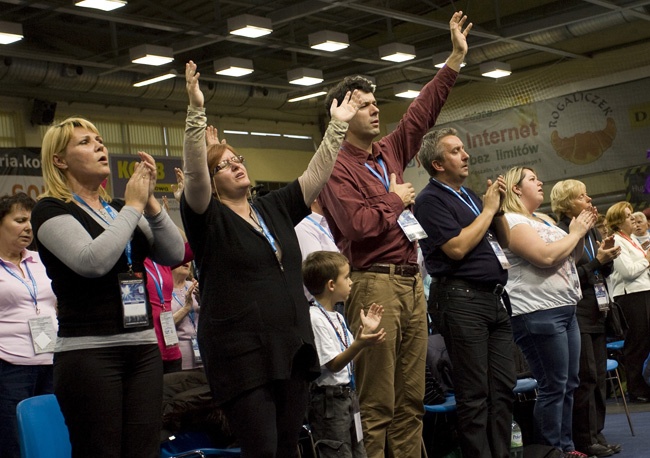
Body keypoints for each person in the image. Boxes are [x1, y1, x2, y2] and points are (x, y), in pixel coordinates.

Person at [180, 60, 362, 457]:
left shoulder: (271, 207)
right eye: (223, 166)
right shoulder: (206, 217)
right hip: (241, 354)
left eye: (237, 159)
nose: (236, 165)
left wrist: (337, 127)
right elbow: (195, 176)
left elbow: (315, 175)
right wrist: (196, 112)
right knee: (261, 449)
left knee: (288, 447)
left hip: (289, 348)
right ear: (212, 181)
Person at [316, 11, 472, 457]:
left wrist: (455, 59)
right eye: (364, 104)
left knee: (412, 401)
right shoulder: (334, 166)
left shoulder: (388, 150)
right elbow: (358, 226)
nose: (375, 108)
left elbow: (422, 111)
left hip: (408, 281)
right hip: (372, 282)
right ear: (344, 113)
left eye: (374, 101)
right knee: (379, 402)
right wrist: (396, 200)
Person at [30, 117, 185, 458]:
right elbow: (92, 262)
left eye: (100, 139)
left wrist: (152, 204)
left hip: (143, 349)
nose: (100, 145)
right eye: (85, 142)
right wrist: (133, 206)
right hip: (89, 354)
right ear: (60, 160)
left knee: (144, 451)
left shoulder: (118, 209)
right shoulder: (50, 209)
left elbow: (174, 253)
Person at [413, 128, 515, 458]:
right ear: (437, 164)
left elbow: (507, 242)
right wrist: (486, 211)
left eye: (463, 148)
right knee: (474, 394)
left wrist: (496, 208)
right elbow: (456, 248)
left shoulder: (470, 195)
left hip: (493, 298)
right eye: (456, 151)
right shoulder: (429, 201)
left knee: (502, 388)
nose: (466, 154)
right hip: (461, 300)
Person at [501, 166, 596, 458]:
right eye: (531, 179)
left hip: (566, 308)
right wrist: (576, 231)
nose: (540, 182)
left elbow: (572, 257)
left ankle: (565, 448)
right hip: (538, 311)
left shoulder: (541, 219)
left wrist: (580, 233)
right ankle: (549, 451)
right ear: (516, 188)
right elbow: (545, 257)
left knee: (569, 383)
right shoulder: (510, 220)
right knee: (553, 386)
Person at [550, 180, 622, 457]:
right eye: (582, 196)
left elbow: (600, 273)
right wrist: (596, 262)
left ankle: (597, 433)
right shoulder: (560, 231)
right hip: (576, 313)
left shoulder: (590, 230)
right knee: (586, 378)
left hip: (598, 310)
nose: (589, 198)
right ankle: (584, 439)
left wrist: (608, 256)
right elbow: (567, 277)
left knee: (599, 376)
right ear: (568, 203)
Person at [302, 250, 386, 458]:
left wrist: (362, 340)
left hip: (348, 396)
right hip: (329, 402)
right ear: (331, 285)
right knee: (338, 452)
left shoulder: (337, 317)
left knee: (359, 452)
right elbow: (333, 365)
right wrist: (359, 344)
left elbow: (346, 361)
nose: (351, 282)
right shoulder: (315, 318)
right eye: (346, 277)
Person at [0, 192, 58, 458]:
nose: (28, 227)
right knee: (13, 441)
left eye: (31, 221)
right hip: (9, 365)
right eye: (20, 220)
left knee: (50, 435)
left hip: (52, 362)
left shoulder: (41, 260)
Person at [605, 202, 650, 403]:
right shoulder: (616, 240)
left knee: (645, 342)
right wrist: (647, 259)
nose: (633, 219)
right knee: (637, 343)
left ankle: (644, 384)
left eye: (632, 214)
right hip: (630, 297)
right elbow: (628, 272)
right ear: (617, 221)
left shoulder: (630, 239)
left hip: (643, 293)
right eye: (628, 215)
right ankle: (636, 388)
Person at [295, 199, 340, 301]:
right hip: (322, 303)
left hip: (336, 299)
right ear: (314, 198)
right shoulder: (303, 226)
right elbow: (315, 271)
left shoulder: (328, 222)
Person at [170, 261, 201, 371]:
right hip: (181, 363)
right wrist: (186, 308)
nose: (186, 261)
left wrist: (204, 302)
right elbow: (163, 327)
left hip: (206, 356)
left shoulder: (196, 287)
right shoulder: (163, 290)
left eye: (188, 257)